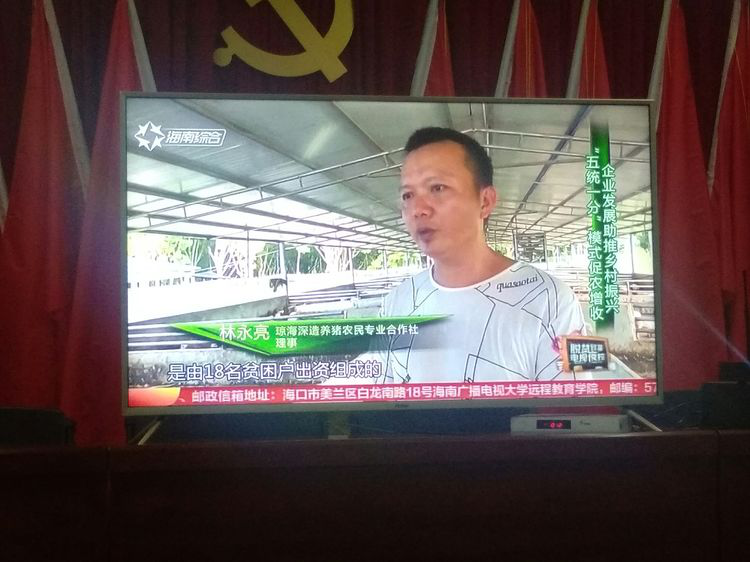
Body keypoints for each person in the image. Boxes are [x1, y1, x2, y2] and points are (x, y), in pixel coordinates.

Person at [375, 127, 586, 383]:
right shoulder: (396, 303)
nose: (418, 209)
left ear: (485, 201)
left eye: (437, 188)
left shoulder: (552, 300)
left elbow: (584, 400)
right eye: (408, 195)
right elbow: (381, 394)